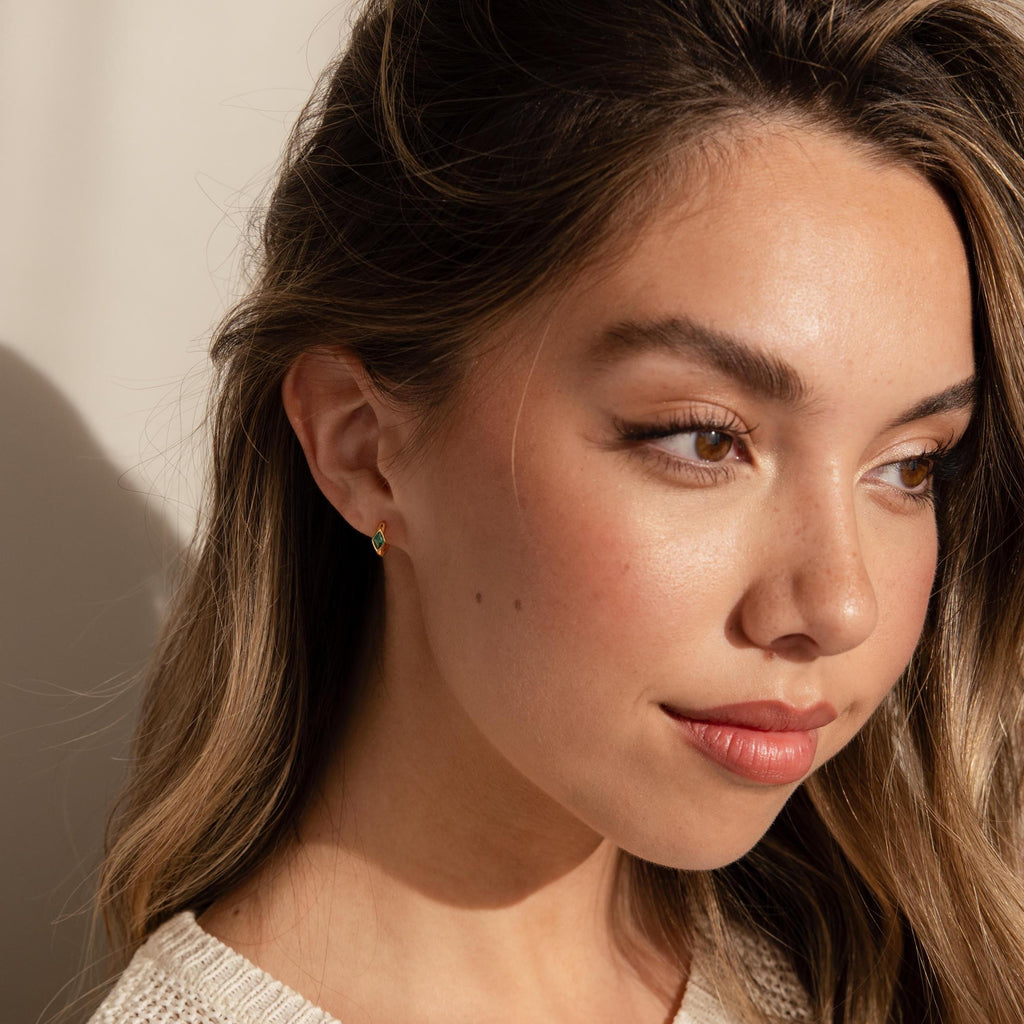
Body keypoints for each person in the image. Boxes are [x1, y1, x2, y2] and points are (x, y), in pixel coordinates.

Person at [85, 0, 1024, 1021]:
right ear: (363, 448)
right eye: (704, 439)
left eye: (911, 466)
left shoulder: (878, 977)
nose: (840, 606)